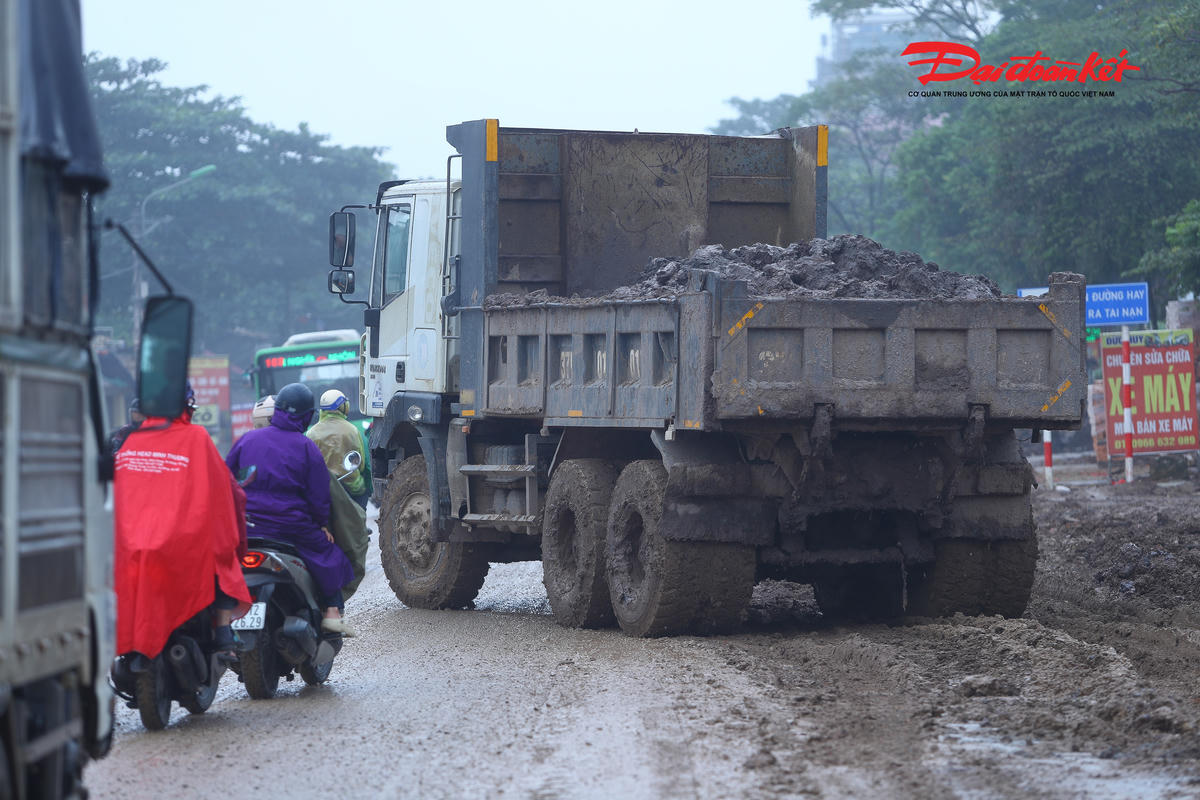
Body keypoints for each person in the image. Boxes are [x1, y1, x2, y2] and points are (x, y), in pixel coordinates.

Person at [114, 384, 251, 659]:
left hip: (132, 543)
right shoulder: (196, 437)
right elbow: (227, 490)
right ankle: (223, 630)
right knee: (221, 560)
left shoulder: (130, 441)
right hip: (181, 542)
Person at [225, 382, 357, 637]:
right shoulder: (306, 447)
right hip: (291, 528)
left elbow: (225, 479)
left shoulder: (247, 440)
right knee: (330, 555)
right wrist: (322, 525)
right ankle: (331, 612)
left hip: (246, 525)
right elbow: (319, 496)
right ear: (307, 416)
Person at [307, 390, 372, 509]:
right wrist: (370, 489)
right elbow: (363, 465)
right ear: (343, 407)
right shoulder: (353, 430)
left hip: (322, 490)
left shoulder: (311, 433)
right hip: (353, 490)